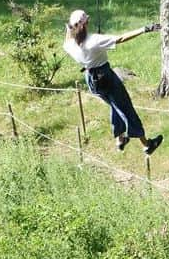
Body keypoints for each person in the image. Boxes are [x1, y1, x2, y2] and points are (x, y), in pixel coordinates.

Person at [63, 9, 163, 154]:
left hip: (91, 80)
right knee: (125, 108)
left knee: (114, 105)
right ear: (85, 24)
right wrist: (144, 29)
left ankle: (120, 139)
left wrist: (69, 28)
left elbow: (67, 40)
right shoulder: (94, 40)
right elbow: (121, 38)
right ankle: (147, 144)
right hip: (106, 77)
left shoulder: (71, 45)